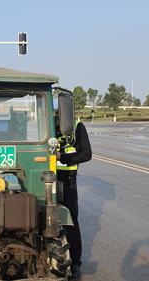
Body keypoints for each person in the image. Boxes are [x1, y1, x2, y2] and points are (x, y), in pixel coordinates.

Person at [55, 115, 92, 279]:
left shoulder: (76, 127)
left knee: (69, 220)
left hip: (65, 178)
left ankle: (75, 262)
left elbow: (86, 154)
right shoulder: (38, 121)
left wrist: (62, 157)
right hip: (40, 175)